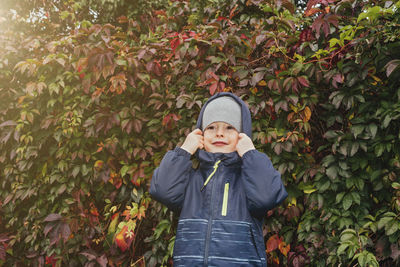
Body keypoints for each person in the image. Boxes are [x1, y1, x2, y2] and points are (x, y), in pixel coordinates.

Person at [150, 92, 287, 267]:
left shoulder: (249, 178)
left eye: (229, 128)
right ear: (201, 134)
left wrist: (250, 154)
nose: (220, 134)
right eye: (211, 128)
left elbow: (266, 197)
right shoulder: (191, 180)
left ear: (242, 135)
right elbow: (162, 190)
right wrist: (184, 150)